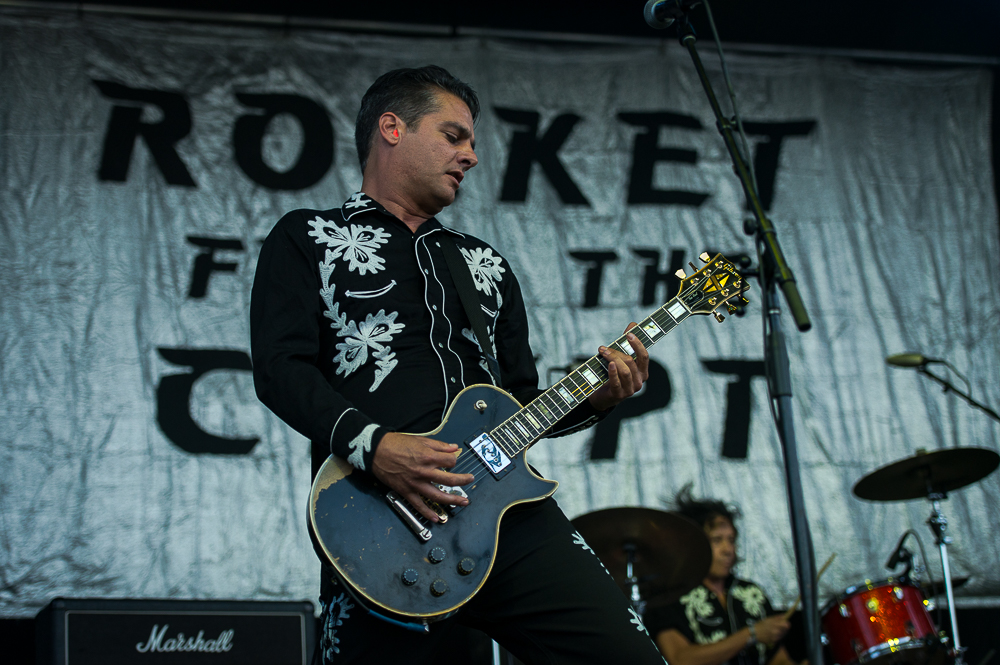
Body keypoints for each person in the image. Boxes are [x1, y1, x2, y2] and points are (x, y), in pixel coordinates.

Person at [250, 65, 667, 664]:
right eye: (454, 136)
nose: (470, 155)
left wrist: (597, 398)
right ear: (392, 128)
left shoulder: (485, 265)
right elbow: (280, 370)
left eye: (471, 142)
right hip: (378, 522)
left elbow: (523, 407)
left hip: (506, 520)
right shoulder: (307, 238)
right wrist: (377, 446)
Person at [644, 485, 800, 665]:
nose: (728, 550)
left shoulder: (751, 593)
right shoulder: (669, 596)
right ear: (693, 544)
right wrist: (751, 634)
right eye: (717, 540)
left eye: (731, 540)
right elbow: (680, 659)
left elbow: (779, 659)